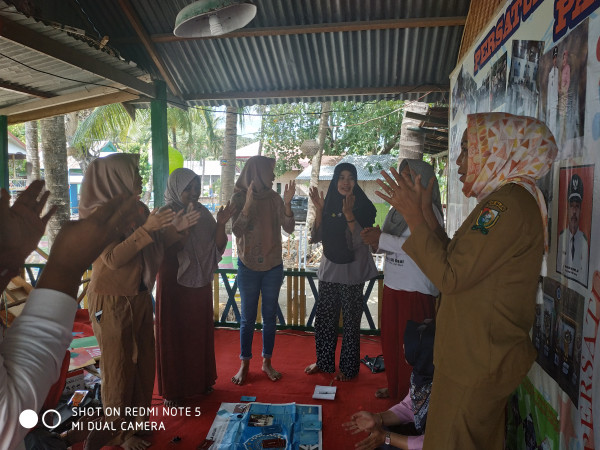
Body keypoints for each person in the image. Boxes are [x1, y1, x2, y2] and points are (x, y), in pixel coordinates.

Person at [376, 112, 558, 449]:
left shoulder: (506, 205)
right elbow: (454, 259)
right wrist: (425, 213)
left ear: (497, 151)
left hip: (475, 359)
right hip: (472, 355)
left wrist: (415, 215)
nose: (458, 162)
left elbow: (450, 275)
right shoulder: (502, 201)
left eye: (466, 150)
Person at [0, 180, 138, 450]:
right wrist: (64, 267)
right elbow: (6, 417)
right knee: (117, 360)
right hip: (111, 299)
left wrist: (6, 261)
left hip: (137, 298)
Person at [78, 154, 199, 450]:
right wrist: (148, 228)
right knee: (119, 366)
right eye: (134, 173)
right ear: (115, 179)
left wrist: (176, 228)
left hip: (141, 296)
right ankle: (120, 434)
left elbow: (154, 245)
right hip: (113, 298)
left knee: (143, 363)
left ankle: (136, 422)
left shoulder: (139, 209)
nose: (141, 178)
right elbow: (112, 259)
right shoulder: (98, 215)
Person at [360, 160, 441, 400]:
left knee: (412, 349)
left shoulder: (429, 210)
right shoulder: (397, 211)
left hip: (415, 289)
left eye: (408, 177)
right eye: (401, 177)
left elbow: (418, 245)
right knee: (393, 344)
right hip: (394, 285)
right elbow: (388, 244)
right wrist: (374, 240)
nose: (401, 183)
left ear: (423, 181)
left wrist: (381, 238)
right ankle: (396, 387)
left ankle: (410, 399)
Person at [155, 168, 235, 406]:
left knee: (198, 331)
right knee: (175, 333)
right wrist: (178, 230)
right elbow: (158, 248)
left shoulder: (203, 213)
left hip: (199, 282)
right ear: (175, 188)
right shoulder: (163, 214)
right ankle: (174, 391)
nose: (194, 192)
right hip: (174, 282)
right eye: (188, 187)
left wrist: (221, 223)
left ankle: (202, 381)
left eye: (197, 187)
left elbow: (217, 246)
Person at [305, 163, 377, 381]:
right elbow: (318, 236)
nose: (346, 182)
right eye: (342, 177)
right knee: (325, 319)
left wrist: (349, 215)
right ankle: (324, 362)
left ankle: (348, 368)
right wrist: (319, 210)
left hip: (353, 272)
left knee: (351, 322)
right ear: (336, 180)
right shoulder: (328, 203)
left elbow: (360, 241)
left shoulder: (364, 206)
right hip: (330, 269)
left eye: (351, 178)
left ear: (355, 182)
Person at [229, 155, 295, 385]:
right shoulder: (238, 198)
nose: (273, 175)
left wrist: (287, 205)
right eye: (270, 171)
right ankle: (244, 364)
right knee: (247, 318)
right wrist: (247, 206)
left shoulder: (275, 198)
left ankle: (266, 361)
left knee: (269, 317)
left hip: (272, 266)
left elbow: (289, 229)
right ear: (256, 172)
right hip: (247, 265)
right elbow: (235, 231)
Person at [343, 320, 435, 450]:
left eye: (409, 344)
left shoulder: (444, 393)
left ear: (424, 353)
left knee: (384, 441)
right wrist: (378, 418)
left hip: (434, 443)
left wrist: (386, 437)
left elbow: (434, 443)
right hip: (424, 432)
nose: (404, 346)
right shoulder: (422, 375)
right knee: (379, 429)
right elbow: (410, 407)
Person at [556, 173, 588, 285]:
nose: (574, 212)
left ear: (581, 210)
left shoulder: (584, 242)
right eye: (572, 206)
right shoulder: (561, 238)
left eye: (577, 207)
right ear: (567, 209)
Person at [546, 47, 559, 137]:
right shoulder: (550, 73)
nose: (555, 60)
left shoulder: (558, 71)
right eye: (554, 58)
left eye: (556, 58)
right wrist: (548, 106)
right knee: (550, 122)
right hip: (550, 101)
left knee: (554, 122)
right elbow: (549, 89)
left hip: (556, 100)